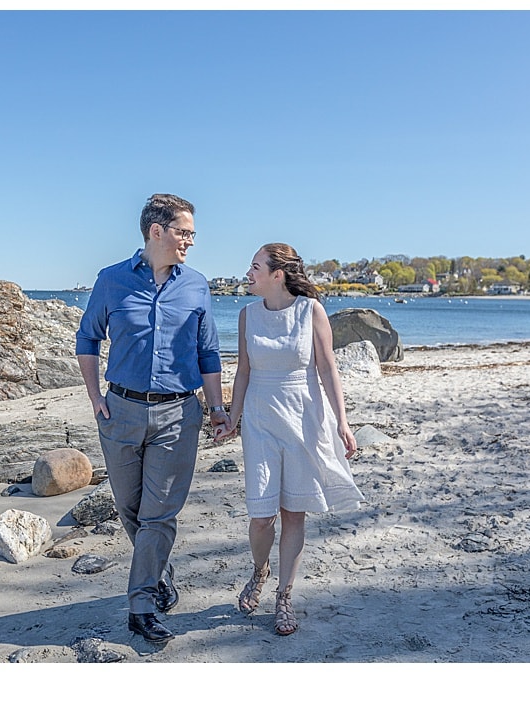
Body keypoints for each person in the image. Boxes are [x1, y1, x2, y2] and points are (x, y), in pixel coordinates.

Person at [76, 193, 230, 644]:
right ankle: (159, 573)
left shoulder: (197, 286)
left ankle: (140, 605)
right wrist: (94, 398)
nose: (190, 242)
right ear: (155, 231)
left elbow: (208, 352)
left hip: (179, 413)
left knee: (159, 514)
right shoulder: (111, 281)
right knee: (131, 509)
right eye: (184, 232)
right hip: (119, 410)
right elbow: (87, 339)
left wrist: (217, 408)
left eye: (192, 235)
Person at [214, 243, 364, 636]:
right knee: (261, 515)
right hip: (261, 420)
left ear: (277, 274)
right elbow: (243, 371)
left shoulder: (310, 310)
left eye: (254, 267)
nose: (248, 273)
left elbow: (329, 369)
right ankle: (260, 570)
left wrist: (342, 423)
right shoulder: (247, 315)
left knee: (293, 512)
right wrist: (233, 418)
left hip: (303, 416)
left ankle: (284, 595)